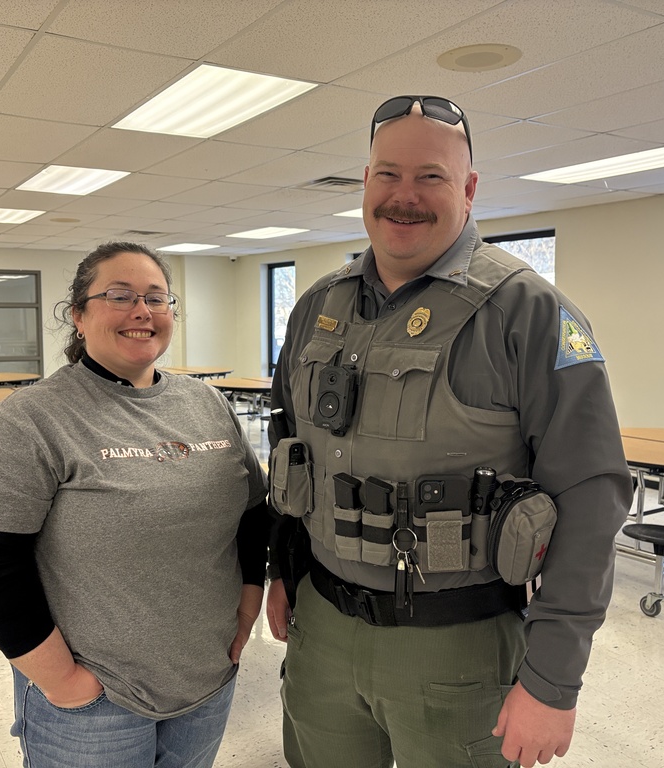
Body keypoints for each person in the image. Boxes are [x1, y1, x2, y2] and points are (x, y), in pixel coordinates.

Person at [265, 96, 633, 768]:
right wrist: (284, 571)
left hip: (459, 646)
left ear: (468, 189)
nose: (404, 196)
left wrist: (552, 681)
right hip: (322, 631)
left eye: (430, 176)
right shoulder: (316, 306)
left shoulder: (528, 312)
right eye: (388, 174)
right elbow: (293, 448)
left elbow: (591, 498)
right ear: (366, 182)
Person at [0, 242, 270, 768]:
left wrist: (249, 602)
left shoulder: (208, 404)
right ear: (78, 315)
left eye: (156, 298)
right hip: (96, 703)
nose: (142, 311)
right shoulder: (33, 418)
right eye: (120, 296)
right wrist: (62, 680)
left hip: (208, 680)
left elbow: (252, 513)